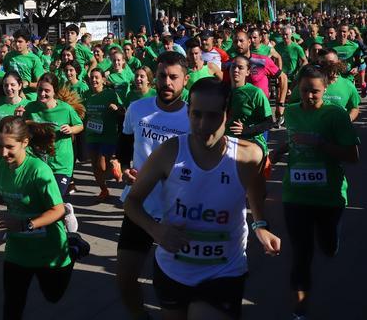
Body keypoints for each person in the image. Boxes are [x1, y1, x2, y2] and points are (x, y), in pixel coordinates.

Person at [125, 77, 281, 320]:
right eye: (196, 114)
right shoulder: (169, 152)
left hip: (223, 271)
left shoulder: (250, 155)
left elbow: (255, 191)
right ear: (188, 112)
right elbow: (132, 201)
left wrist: (260, 224)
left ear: (227, 115)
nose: (202, 124)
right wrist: (156, 231)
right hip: (173, 269)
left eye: (213, 116)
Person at [269, 65, 360, 319]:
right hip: (296, 195)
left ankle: (331, 242)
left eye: (315, 92)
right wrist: (279, 151)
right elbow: (294, 137)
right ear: (298, 87)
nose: (309, 96)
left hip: (329, 196)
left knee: (328, 245)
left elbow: (353, 156)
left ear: (325, 89)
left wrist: (321, 144)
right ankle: (300, 311)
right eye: (305, 90)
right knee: (301, 252)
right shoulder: (292, 111)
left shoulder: (336, 116)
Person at [0, 116, 90, 320]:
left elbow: (58, 210)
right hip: (17, 250)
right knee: (12, 306)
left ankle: (73, 247)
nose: (3, 153)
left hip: (48, 249)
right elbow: (9, 193)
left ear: (25, 143)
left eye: (9, 147)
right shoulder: (2, 167)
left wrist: (26, 224)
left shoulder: (39, 170)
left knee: (53, 296)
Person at [116, 52, 190, 319]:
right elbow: (124, 147)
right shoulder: (138, 109)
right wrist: (124, 169)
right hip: (139, 206)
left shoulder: (193, 117)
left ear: (185, 80)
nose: (167, 82)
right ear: (154, 78)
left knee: (175, 288)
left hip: (177, 210)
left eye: (173, 77)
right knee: (124, 279)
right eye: (162, 76)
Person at [23, 73, 84, 199]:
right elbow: (22, 129)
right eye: (40, 90)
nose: (42, 94)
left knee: (54, 198)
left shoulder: (65, 109)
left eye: (47, 91)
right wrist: (19, 118)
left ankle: (61, 213)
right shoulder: (30, 108)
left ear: (54, 91)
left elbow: (80, 125)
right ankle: (65, 213)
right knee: (41, 199)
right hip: (39, 162)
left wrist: (71, 129)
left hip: (61, 163)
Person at [82, 68, 122, 201]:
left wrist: (116, 109)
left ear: (103, 80)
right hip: (91, 135)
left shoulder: (110, 94)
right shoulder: (86, 94)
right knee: (95, 165)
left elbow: (121, 110)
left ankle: (113, 164)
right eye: (91, 77)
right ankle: (104, 190)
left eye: (97, 77)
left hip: (108, 135)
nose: (94, 80)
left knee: (102, 165)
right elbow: (81, 112)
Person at [228, 56, 274, 157]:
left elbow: (269, 123)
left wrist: (247, 130)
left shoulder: (255, 93)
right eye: (233, 67)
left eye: (240, 68)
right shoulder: (222, 91)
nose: (235, 70)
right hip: (228, 144)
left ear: (248, 72)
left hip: (250, 145)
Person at [3, 30, 45, 100]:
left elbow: (41, 83)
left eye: (20, 41)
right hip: (12, 96)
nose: (17, 44)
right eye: (15, 41)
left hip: (29, 97)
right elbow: (4, 75)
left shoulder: (34, 59)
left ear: (28, 43)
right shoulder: (8, 56)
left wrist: (28, 84)